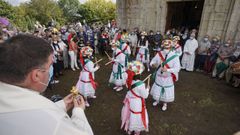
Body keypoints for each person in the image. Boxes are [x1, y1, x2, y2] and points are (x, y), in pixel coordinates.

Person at [0, 34, 94, 135]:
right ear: (36, 75)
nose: (50, 71)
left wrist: (61, 105)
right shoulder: (54, 123)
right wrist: (78, 112)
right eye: (50, 66)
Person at [150, 40, 180, 111]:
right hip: (159, 76)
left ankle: (165, 103)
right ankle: (157, 100)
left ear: (171, 48)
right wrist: (153, 64)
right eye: (164, 48)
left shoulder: (175, 56)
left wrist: (167, 70)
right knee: (158, 87)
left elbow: (177, 68)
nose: (166, 50)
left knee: (166, 89)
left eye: (167, 48)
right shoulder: (159, 53)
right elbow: (153, 61)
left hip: (168, 77)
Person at [121, 61, 149, 135]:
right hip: (137, 103)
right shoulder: (141, 84)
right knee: (137, 116)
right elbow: (145, 96)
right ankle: (137, 131)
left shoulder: (128, 81)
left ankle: (130, 129)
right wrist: (147, 89)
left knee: (130, 113)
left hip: (130, 101)